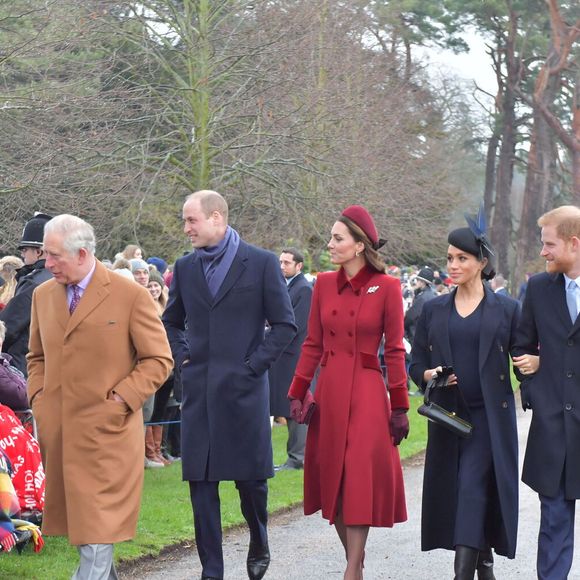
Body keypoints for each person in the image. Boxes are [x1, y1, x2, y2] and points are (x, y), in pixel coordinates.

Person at [27, 214, 173, 580]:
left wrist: (121, 400)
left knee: (96, 533)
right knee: (84, 531)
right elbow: (36, 357)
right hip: (60, 433)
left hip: (109, 434)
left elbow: (159, 360)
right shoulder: (42, 295)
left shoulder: (130, 296)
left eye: (54, 256)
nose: (47, 264)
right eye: (45, 255)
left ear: (81, 254)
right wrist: (40, 400)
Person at [163, 190, 296, 580]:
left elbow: (286, 325)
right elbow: (171, 320)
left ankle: (259, 536)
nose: (186, 228)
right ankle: (212, 571)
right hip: (199, 393)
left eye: (191, 220)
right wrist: (184, 358)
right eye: (185, 221)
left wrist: (253, 366)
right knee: (201, 487)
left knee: (251, 483)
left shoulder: (261, 263)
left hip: (244, 392)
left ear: (217, 218)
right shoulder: (185, 268)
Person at [288, 205, 409, 580]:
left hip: (369, 394)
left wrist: (400, 406)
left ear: (359, 245)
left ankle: (352, 569)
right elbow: (312, 343)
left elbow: (394, 349)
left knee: (357, 475)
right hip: (331, 390)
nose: (330, 244)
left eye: (338, 238)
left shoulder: (387, 287)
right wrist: (297, 391)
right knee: (335, 480)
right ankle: (354, 558)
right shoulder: (322, 283)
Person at [409, 209, 529, 579]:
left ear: (481, 262)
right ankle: (484, 562)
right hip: (449, 420)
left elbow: (524, 357)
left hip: (489, 422)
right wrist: (429, 375)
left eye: (461, 258)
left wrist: (535, 373)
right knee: (461, 496)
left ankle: (462, 574)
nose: (453, 264)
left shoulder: (507, 310)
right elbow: (416, 364)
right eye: (449, 258)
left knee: (473, 490)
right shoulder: (433, 310)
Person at [513, 205, 580, 580]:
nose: (543, 252)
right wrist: (534, 385)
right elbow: (521, 346)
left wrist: (549, 360)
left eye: (549, 244)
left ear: (574, 243)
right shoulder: (537, 288)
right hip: (553, 426)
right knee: (553, 519)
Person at [268, 248, 313, 471]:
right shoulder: (286, 286)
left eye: (287, 262)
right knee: (287, 407)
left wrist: (269, 335)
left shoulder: (303, 289)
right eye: (280, 262)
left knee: (297, 408)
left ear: (299, 266)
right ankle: (294, 457)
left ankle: (298, 458)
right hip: (283, 357)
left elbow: (295, 325)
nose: (282, 266)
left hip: (294, 358)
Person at [0, 213, 53, 375]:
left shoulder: (34, 282)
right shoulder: (63, 279)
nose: (22, 254)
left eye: (25, 249)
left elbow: (8, 327)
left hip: (25, 363)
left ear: (39, 252)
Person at [404, 267, 437, 344]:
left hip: (416, 334)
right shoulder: (432, 295)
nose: (416, 282)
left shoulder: (422, 298)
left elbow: (410, 317)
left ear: (423, 282)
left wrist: (402, 325)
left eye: (418, 280)